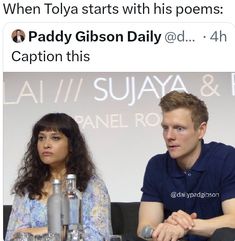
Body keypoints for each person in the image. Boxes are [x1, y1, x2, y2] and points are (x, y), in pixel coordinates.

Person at [137, 91, 235, 241]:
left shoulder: (226, 158)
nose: (169, 136)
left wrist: (186, 227)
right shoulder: (156, 165)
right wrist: (161, 230)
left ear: (201, 130)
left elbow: (233, 220)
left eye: (179, 128)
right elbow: (144, 228)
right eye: (165, 128)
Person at [5, 113, 112, 241]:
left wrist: (47, 231)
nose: (46, 144)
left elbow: (98, 236)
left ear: (72, 145)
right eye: (41, 138)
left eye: (55, 138)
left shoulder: (92, 186)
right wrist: (64, 232)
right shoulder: (28, 188)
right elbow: (15, 236)